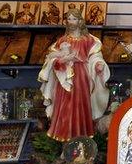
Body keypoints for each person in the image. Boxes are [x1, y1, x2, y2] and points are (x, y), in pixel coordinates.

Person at [38, 9, 110, 141]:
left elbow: (95, 56)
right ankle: (63, 135)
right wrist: (61, 61)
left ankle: (82, 135)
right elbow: (51, 59)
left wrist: (98, 65)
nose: (71, 22)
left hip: (81, 76)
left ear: (80, 21)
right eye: (69, 19)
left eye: (74, 19)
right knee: (65, 104)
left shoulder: (89, 40)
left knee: (80, 103)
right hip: (64, 77)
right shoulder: (62, 41)